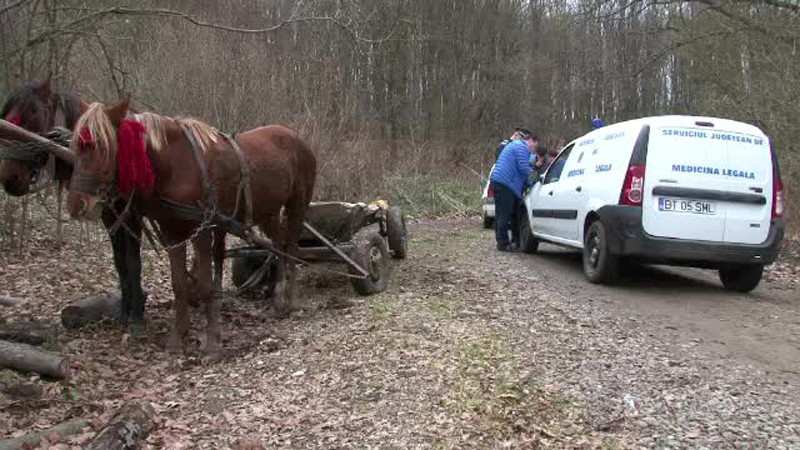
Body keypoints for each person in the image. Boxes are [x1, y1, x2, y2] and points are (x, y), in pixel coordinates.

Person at [490, 131, 539, 251]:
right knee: (504, 215)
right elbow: (523, 168)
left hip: (498, 181)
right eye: (535, 146)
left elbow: (520, 167)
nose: (534, 149)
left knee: (500, 213)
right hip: (505, 184)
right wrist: (535, 178)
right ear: (531, 141)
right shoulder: (522, 147)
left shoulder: (515, 145)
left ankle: (500, 241)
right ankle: (504, 244)